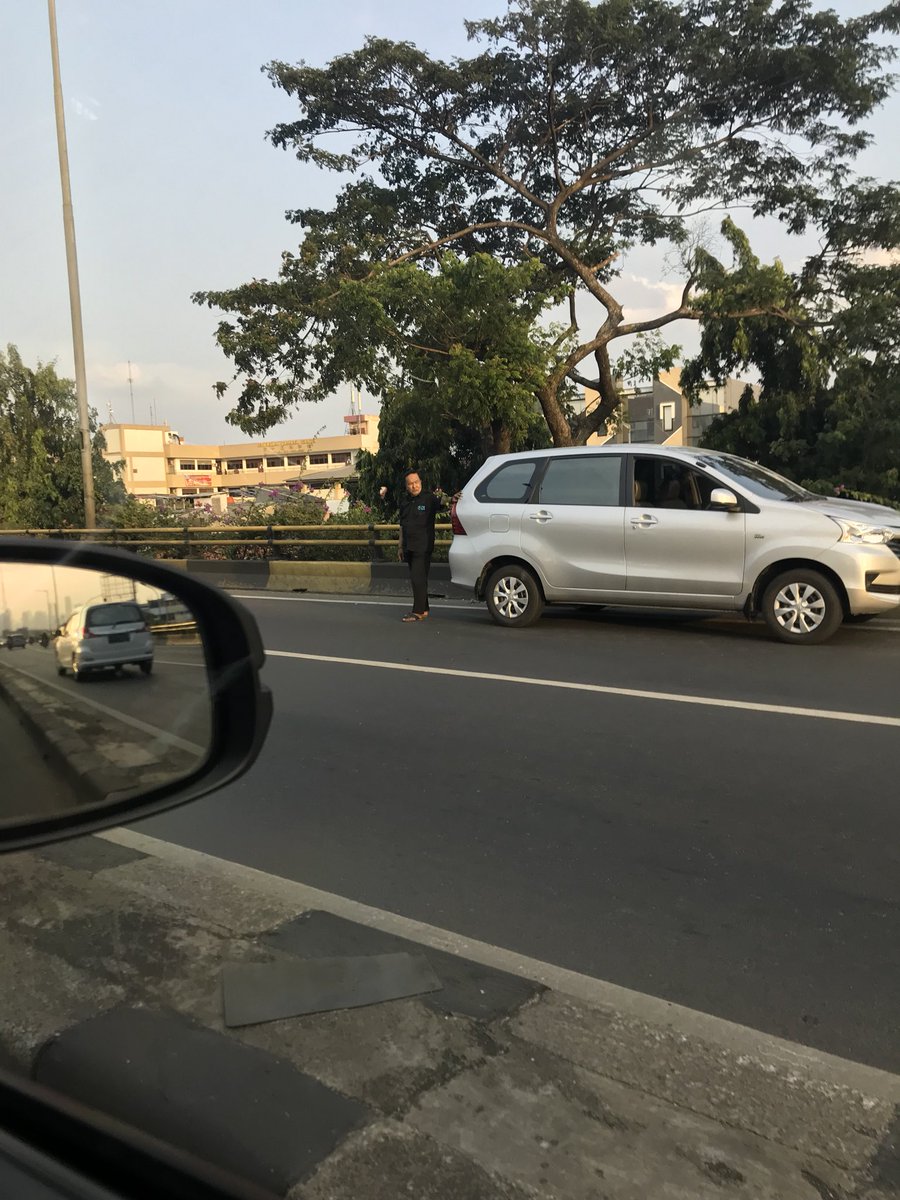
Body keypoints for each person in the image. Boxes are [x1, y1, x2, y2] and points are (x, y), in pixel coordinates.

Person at [380, 469, 443, 622]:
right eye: (410, 484)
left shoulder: (429, 498)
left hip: (423, 545)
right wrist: (400, 546)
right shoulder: (405, 502)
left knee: (417, 578)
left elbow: (443, 504)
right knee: (419, 578)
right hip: (409, 545)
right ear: (407, 486)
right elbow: (402, 526)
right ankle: (425, 608)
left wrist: (453, 499)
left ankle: (418, 611)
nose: (414, 486)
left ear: (420, 482)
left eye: (416, 482)